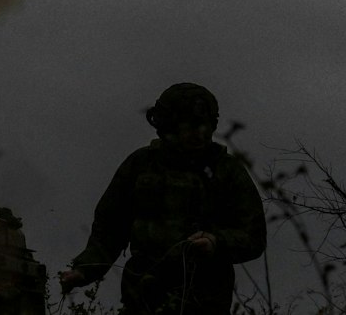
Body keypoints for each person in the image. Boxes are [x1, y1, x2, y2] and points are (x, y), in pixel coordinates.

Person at [58, 83, 265, 313]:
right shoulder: (141, 165)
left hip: (204, 299)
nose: (199, 134)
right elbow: (110, 227)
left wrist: (216, 242)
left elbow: (253, 236)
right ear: (169, 126)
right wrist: (85, 270)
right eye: (191, 126)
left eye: (204, 126)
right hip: (144, 293)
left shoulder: (226, 170)